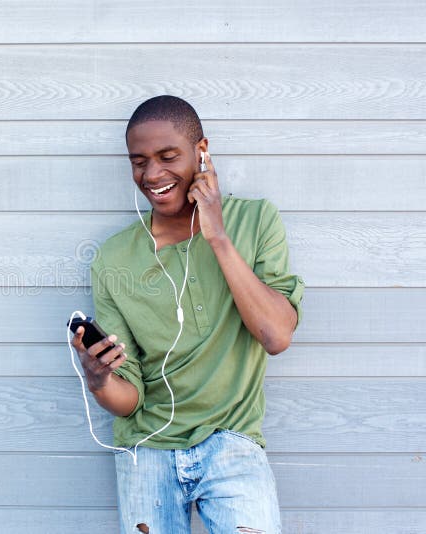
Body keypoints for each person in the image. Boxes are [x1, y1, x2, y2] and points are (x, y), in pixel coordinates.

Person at [70, 95, 304, 534]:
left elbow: (275, 336)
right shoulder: (114, 259)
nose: (152, 175)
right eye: (138, 161)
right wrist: (98, 379)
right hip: (147, 449)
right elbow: (129, 401)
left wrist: (216, 234)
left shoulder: (256, 220)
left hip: (232, 441)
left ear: (202, 152)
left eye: (167, 156)